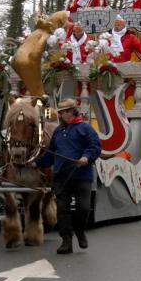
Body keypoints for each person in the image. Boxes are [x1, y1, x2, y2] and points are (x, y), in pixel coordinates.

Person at [35, 98, 101, 254]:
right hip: (61, 176)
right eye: (60, 112)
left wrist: (86, 157)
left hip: (81, 175)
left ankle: (79, 230)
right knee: (62, 210)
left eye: (64, 112)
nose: (61, 115)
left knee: (83, 208)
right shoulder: (58, 131)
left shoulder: (85, 128)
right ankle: (66, 240)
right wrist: (36, 163)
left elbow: (95, 146)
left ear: (72, 111)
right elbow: (50, 154)